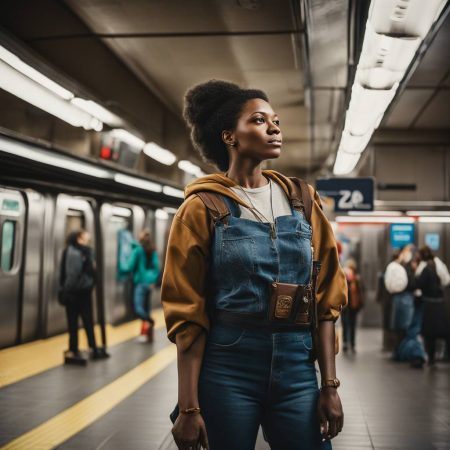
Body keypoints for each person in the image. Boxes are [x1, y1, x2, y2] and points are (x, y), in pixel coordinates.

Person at [161, 80, 347, 450]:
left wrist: (329, 385)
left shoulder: (303, 201)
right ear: (229, 136)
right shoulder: (201, 208)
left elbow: (327, 300)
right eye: (260, 120)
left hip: (297, 365)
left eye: (275, 121)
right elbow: (187, 315)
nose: (275, 128)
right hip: (228, 365)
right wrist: (188, 407)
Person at [59, 229, 109, 360]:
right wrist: (67, 289)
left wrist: (65, 290)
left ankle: (76, 349)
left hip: (78, 292)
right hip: (79, 292)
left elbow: (72, 274)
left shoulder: (78, 251)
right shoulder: (78, 252)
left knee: (74, 322)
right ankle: (89, 348)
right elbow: (74, 274)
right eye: (85, 234)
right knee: (86, 321)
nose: (89, 236)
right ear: (79, 237)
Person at [122, 229, 160, 342]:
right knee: (147, 308)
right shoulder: (152, 251)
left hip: (140, 283)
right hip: (150, 284)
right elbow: (156, 267)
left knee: (138, 308)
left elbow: (129, 266)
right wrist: (152, 280)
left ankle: (150, 321)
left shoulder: (137, 250)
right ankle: (147, 335)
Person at [415, 246, 450, 366]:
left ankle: (431, 357)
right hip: (440, 302)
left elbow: (418, 283)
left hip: (428, 303)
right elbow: (446, 280)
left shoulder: (423, 266)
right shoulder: (439, 263)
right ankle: (445, 354)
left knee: (429, 332)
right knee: (443, 330)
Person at [342, 259, 363, 353]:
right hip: (344, 306)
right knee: (345, 325)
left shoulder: (357, 279)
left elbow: (360, 293)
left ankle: (352, 343)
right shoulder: (343, 278)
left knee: (352, 325)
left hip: (353, 306)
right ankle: (345, 342)